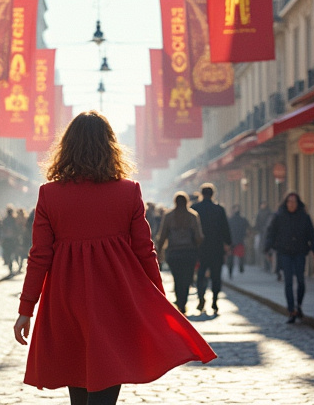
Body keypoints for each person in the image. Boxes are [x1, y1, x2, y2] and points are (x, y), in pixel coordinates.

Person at [12, 111, 215, 404]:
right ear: (110, 148)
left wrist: (26, 308)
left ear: (66, 148)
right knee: (107, 383)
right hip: (115, 299)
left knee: (77, 385)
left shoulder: (49, 195)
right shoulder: (129, 192)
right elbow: (145, 251)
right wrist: (157, 298)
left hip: (66, 299)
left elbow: (39, 257)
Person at [265, 192, 314, 323]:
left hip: (300, 252)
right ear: (286, 203)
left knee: (300, 280)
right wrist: (268, 249)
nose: (291, 204)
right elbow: (271, 232)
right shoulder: (279, 216)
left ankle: (298, 305)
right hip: (285, 252)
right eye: (289, 201)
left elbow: (311, 233)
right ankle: (291, 310)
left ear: (297, 203)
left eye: (294, 202)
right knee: (288, 281)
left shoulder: (304, 217)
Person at [155, 192, 204, 314]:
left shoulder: (169, 216)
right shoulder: (193, 216)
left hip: (174, 253)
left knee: (177, 278)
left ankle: (180, 302)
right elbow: (199, 237)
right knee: (187, 278)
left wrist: (158, 252)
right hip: (189, 252)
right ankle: (183, 301)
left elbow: (162, 235)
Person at [193, 183, 231, 314]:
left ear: (202, 194)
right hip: (216, 248)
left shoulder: (195, 208)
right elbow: (225, 229)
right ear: (213, 194)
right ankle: (214, 301)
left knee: (201, 274)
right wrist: (228, 243)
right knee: (216, 276)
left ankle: (201, 298)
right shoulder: (219, 210)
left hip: (200, 248)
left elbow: (192, 230)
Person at [227, 205, 248, 278]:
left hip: (231, 241)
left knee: (230, 257)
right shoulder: (243, 220)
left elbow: (227, 230)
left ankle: (230, 272)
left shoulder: (230, 220)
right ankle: (241, 267)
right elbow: (248, 228)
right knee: (241, 256)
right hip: (240, 240)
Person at [254, 201, 274, 273]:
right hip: (262, 233)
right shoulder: (260, 213)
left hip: (266, 234)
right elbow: (257, 223)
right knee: (264, 250)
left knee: (266, 250)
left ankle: (268, 265)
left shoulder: (269, 213)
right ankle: (266, 265)